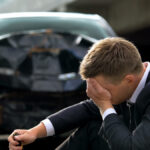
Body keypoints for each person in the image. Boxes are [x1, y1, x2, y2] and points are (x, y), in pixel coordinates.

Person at [8, 37, 150, 150]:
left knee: (105, 117)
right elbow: (87, 109)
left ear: (128, 80)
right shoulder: (129, 79)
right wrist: (34, 132)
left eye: (104, 90)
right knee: (93, 127)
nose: (97, 94)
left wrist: (105, 105)